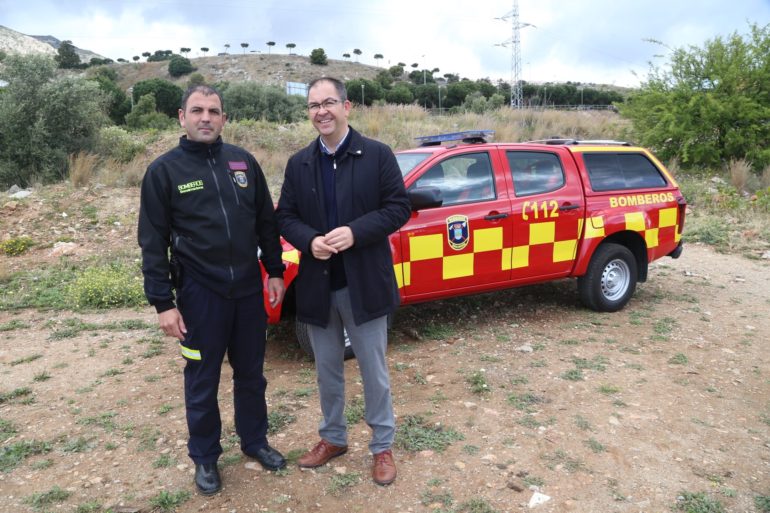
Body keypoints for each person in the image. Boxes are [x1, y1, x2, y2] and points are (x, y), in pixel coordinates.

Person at [137, 85, 286, 496]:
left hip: (247, 292)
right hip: (200, 296)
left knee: (252, 376)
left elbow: (266, 224)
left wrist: (274, 271)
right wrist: (163, 304)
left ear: (223, 118)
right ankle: (205, 458)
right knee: (202, 379)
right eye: (197, 110)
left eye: (214, 111)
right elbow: (152, 241)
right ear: (181, 117)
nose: (206, 118)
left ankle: (255, 442)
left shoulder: (243, 162)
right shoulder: (164, 171)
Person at [275, 77, 411, 486]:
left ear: (346, 106)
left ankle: (382, 446)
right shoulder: (299, 163)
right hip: (317, 286)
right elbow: (285, 216)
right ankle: (333, 438)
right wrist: (309, 240)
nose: (321, 111)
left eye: (329, 102)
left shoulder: (377, 155)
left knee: (373, 368)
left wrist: (355, 232)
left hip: (363, 283)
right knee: (327, 369)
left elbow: (398, 208)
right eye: (314, 105)